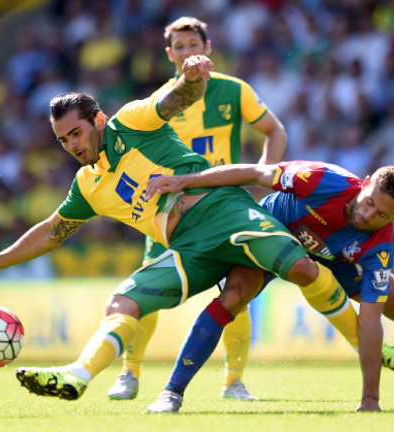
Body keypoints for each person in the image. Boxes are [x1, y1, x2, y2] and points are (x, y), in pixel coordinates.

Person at [0, 56, 360, 403]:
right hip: (187, 247)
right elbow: (53, 231)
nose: (72, 146)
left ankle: (371, 348)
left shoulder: (132, 122)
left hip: (222, 210)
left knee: (302, 269)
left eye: (76, 133)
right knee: (121, 302)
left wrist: (194, 78)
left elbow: (177, 98)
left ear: (98, 120)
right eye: (63, 140)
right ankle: (79, 374)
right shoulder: (87, 185)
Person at [143, 161, 394, 413]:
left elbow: (372, 321)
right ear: (364, 184)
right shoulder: (320, 179)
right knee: (234, 297)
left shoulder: (380, 246)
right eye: (368, 203)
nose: (367, 215)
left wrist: (370, 401)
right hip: (275, 233)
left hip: (333, 260)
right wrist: (185, 181)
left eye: (381, 215)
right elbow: (254, 173)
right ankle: (172, 393)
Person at [107, 16, 287, 402]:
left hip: (224, 209)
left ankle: (233, 382)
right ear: (170, 54)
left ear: (208, 48)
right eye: (181, 47)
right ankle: (129, 373)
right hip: (169, 214)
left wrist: (263, 175)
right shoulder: (162, 101)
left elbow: (276, 130)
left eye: (195, 45)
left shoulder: (235, 91)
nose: (189, 52)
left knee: (235, 292)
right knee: (145, 290)